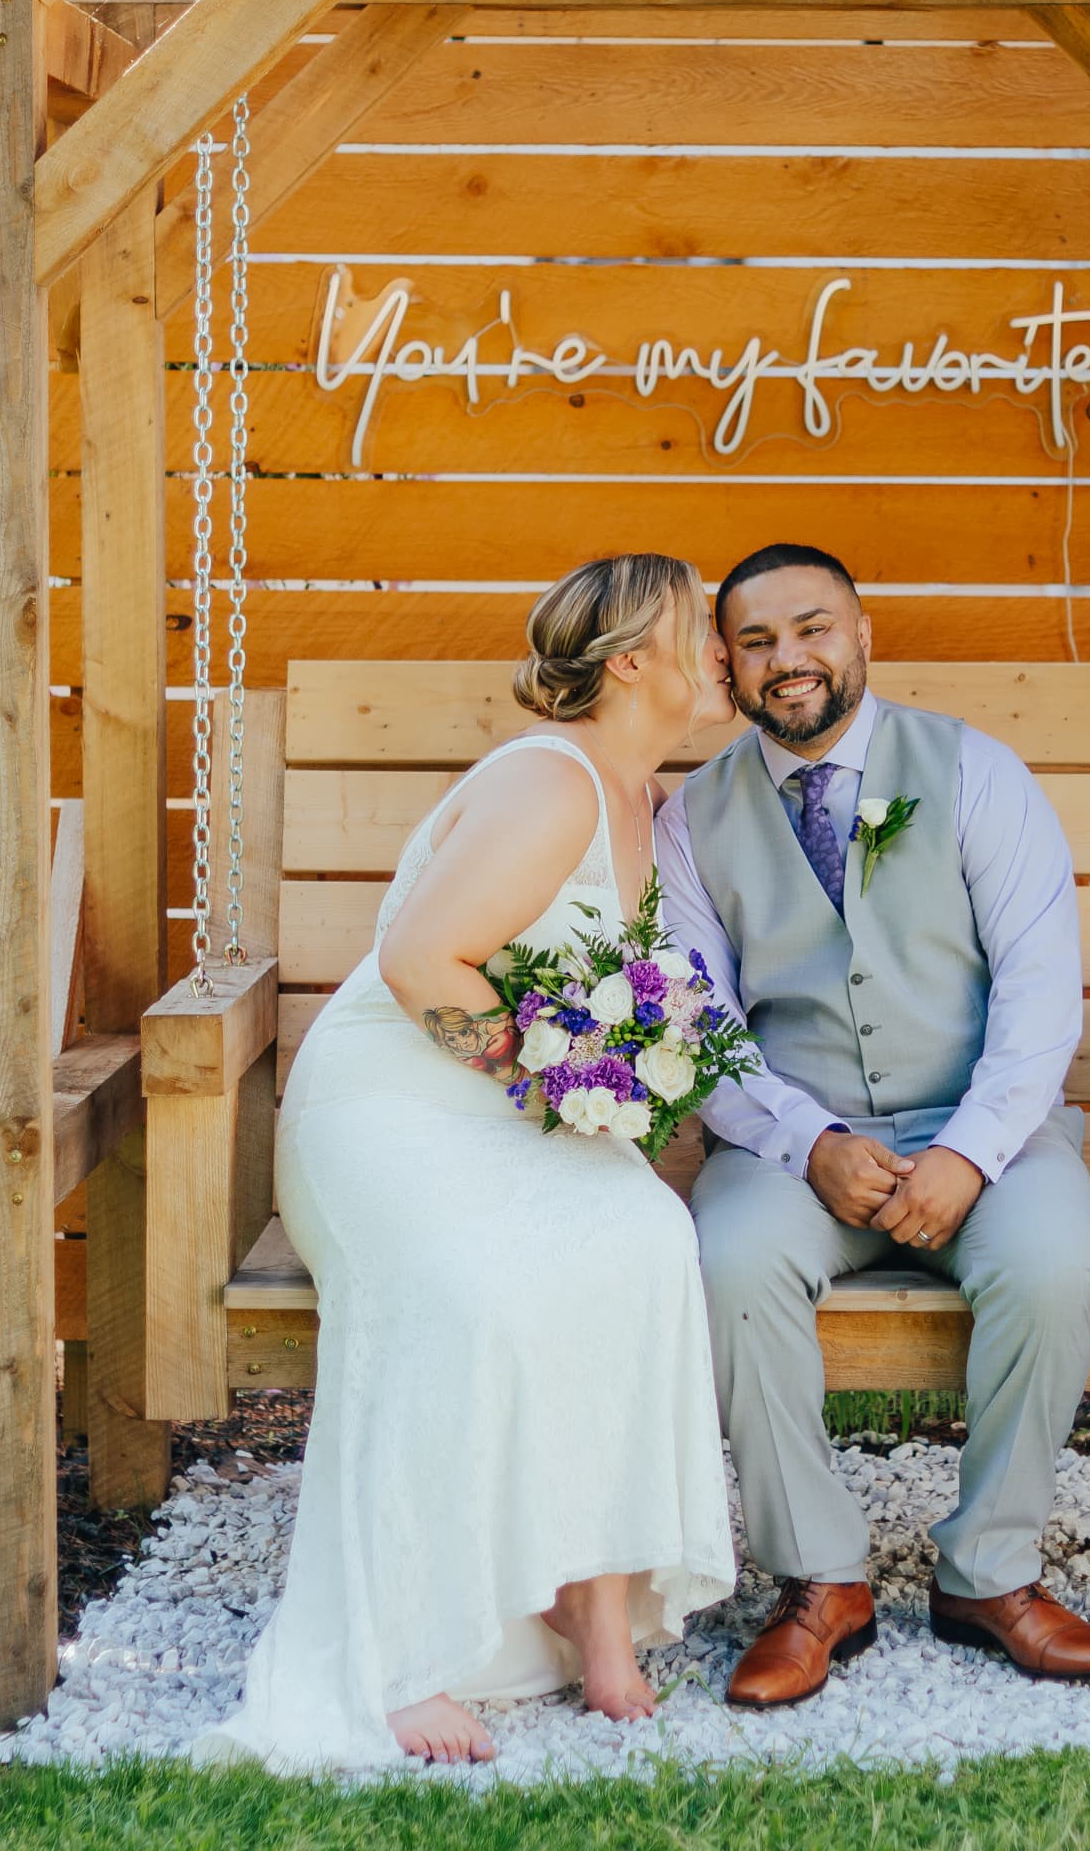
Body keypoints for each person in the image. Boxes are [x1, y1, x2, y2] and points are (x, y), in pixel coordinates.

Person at [196, 554, 738, 1772]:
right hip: (389, 1111)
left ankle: (594, 1603)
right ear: (632, 661)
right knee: (471, 1286)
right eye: (700, 628)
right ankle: (402, 1648)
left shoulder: (641, 796)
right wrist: (576, 1079)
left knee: (645, 1242)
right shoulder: (550, 784)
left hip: (520, 1109)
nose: (721, 650)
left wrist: (613, 1079)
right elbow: (424, 961)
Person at [654, 542, 1090, 1707]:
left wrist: (969, 1151)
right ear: (728, 664)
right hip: (790, 1140)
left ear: (863, 635)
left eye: (813, 628)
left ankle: (991, 1572)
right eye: (758, 640)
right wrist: (806, 1140)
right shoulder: (691, 817)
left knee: (1051, 1262)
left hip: (986, 1128)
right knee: (730, 1262)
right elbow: (699, 1020)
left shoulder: (974, 773)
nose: (790, 659)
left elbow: (1039, 990)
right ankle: (821, 1580)